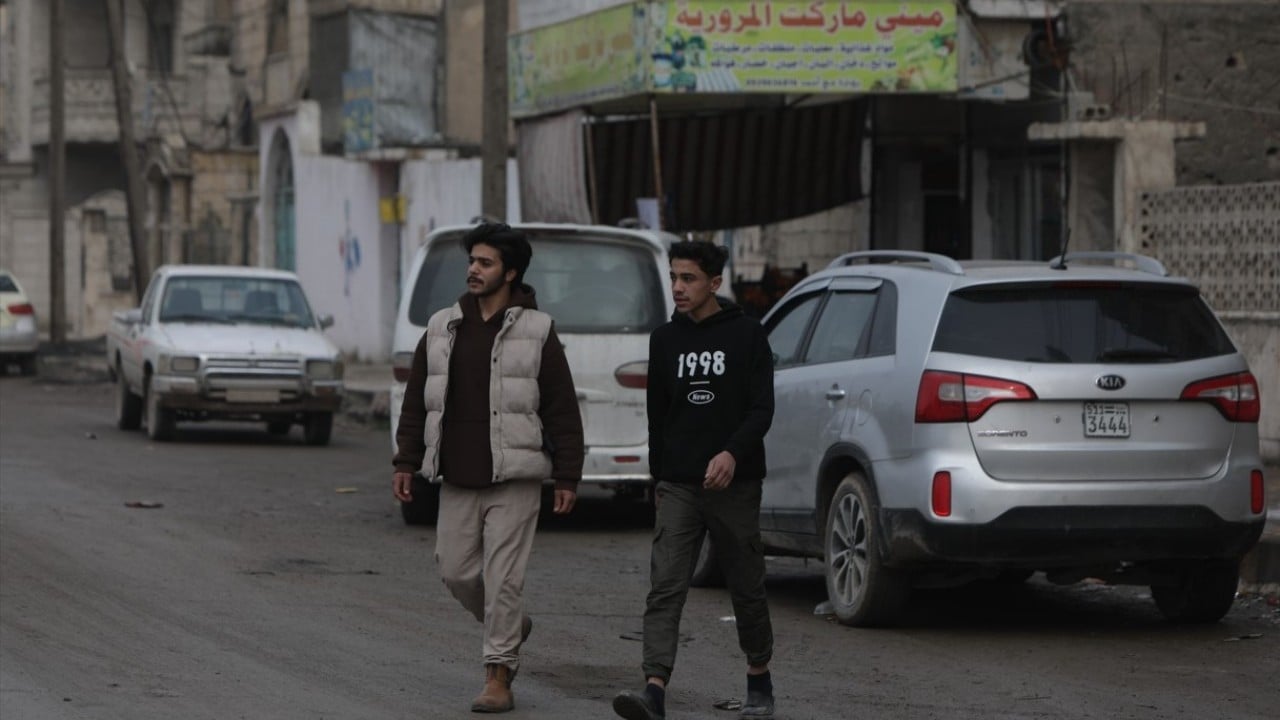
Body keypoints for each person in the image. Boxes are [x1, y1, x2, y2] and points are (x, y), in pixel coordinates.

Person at [393, 222, 583, 714]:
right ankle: (512, 624)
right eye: (472, 261)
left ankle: (498, 673)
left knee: (504, 579)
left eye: (485, 262)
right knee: (455, 571)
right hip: (457, 473)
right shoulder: (442, 326)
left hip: (515, 475)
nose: (473, 270)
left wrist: (568, 474)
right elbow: (417, 402)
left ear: (510, 272)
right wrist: (406, 460)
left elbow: (561, 407)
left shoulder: (538, 331)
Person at [614, 241, 777, 720]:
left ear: (715, 283)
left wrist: (731, 453)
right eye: (674, 277)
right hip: (679, 485)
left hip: (735, 485)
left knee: (746, 584)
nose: (678, 288)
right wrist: (659, 478)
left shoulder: (748, 335)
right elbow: (657, 415)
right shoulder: (665, 339)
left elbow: (762, 409)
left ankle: (759, 678)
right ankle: (654, 690)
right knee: (665, 586)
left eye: (688, 278)